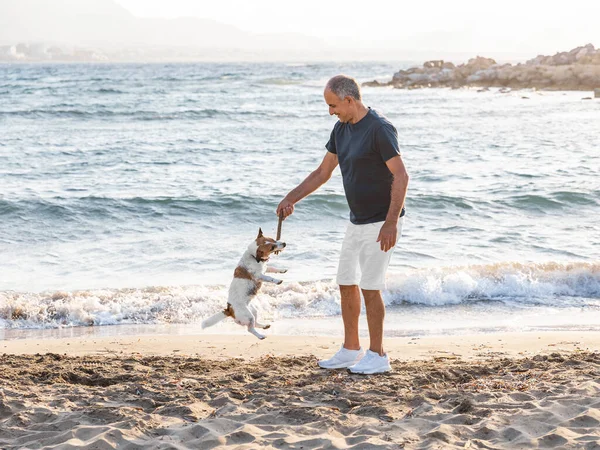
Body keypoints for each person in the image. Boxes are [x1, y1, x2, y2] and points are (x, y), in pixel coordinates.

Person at [276, 74, 409, 374]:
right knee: (346, 282)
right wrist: (291, 197)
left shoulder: (380, 129)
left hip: (381, 222)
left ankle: (378, 355)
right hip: (356, 221)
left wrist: (390, 223)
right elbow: (323, 173)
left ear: (350, 100)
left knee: (370, 287)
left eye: (333, 105)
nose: (331, 111)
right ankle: (351, 349)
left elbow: (401, 176)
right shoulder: (340, 130)